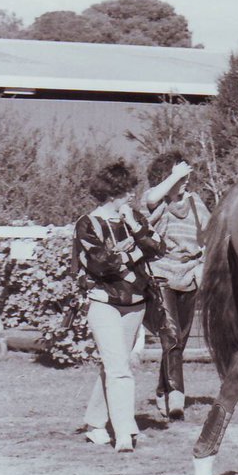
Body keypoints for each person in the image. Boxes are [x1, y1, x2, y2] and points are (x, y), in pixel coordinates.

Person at [76, 160, 166, 452]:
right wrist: (133, 254)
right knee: (120, 369)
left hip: (136, 303)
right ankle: (126, 432)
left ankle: (94, 423)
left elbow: (158, 246)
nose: (131, 195)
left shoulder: (133, 217)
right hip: (104, 302)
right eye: (127, 190)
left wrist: (133, 233)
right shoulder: (88, 223)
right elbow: (101, 264)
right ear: (112, 192)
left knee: (115, 366)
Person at [140, 151, 210, 421]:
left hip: (189, 274)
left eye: (186, 176)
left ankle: (162, 390)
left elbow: (209, 232)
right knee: (170, 334)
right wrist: (176, 174)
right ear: (166, 177)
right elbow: (151, 198)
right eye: (180, 176)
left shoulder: (194, 203)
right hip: (161, 273)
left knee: (178, 339)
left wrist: (204, 259)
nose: (185, 181)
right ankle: (177, 396)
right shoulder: (157, 203)